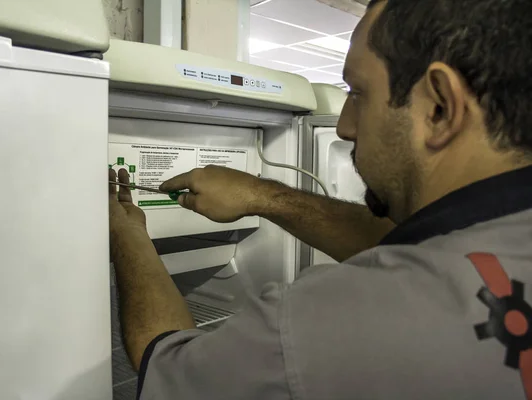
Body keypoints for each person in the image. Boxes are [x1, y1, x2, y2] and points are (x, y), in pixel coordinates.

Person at [108, 0, 532, 398]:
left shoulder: (332, 326)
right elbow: (414, 246)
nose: (345, 126)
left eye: (359, 93)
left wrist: (128, 234)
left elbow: (165, 365)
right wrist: (262, 195)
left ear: (439, 108)